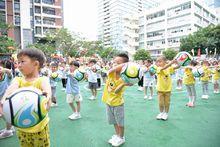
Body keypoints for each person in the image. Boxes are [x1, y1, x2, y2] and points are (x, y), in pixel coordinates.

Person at [0, 48, 51, 147]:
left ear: (35, 64)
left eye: (22, 62)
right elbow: (11, 88)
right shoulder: (18, 80)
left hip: (39, 128)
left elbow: (47, 92)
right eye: (17, 62)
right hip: (21, 128)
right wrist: (3, 101)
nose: (18, 65)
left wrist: (47, 98)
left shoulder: (42, 80)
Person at [102, 53, 132, 147]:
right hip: (108, 102)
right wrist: (114, 67)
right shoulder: (111, 73)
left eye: (117, 63)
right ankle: (117, 135)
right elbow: (107, 70)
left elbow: (116, 92)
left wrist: (123, 84)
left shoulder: (124, 78)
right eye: (114, 62)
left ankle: (121, 137)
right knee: (114, 121)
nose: (115, 64)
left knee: (120, 122)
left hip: (117, 104)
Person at [155, 55, 179, 120]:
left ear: (165, 62)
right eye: (157, 62)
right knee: (160, 103)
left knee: (167, 103)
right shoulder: (158, 68)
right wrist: (171, 62)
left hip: (168, 89)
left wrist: (177, 61)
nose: (158, 63)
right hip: (160, 89)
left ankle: (166, 113)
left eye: (160, 61)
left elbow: (177, 67)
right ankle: (161, 113)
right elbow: (163, 68)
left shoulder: (169, 68)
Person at [0, 60, 14, 139]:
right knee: (4, 115)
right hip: (1, 99)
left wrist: (5, 70)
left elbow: (9, 72)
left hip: (6, 98)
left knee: (5, 114)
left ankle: (9, 131)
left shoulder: (7, 77)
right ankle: (10, 127)